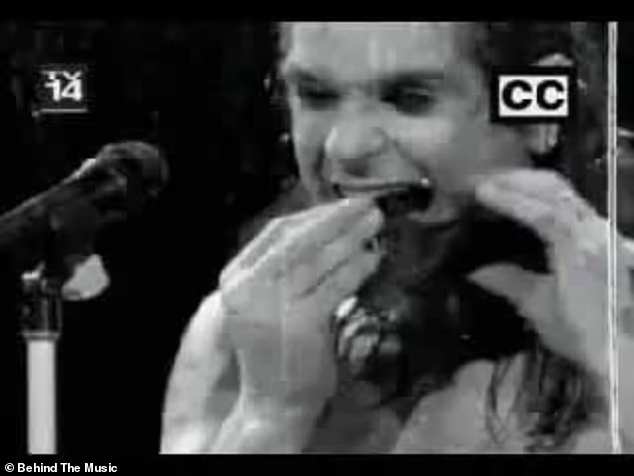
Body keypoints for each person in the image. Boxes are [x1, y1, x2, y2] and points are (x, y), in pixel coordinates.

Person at [159, 22, 633, 453]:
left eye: (410, 98)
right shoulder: (239, 328)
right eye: (316, 95)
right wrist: (269, 417)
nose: (344, 147)